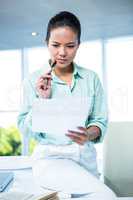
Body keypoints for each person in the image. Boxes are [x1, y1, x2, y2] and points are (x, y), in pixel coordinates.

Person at [17, 11, 108, 178]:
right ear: (47, 43)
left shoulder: (91, 78)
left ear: (78, 45)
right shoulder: (32, 81)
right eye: (56, 45)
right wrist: (41, 100)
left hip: (84, 159)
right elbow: (25, 129)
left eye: (70, 46)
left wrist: (88, 134)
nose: (63, 52)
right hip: (49, 158)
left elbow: (99, 120)